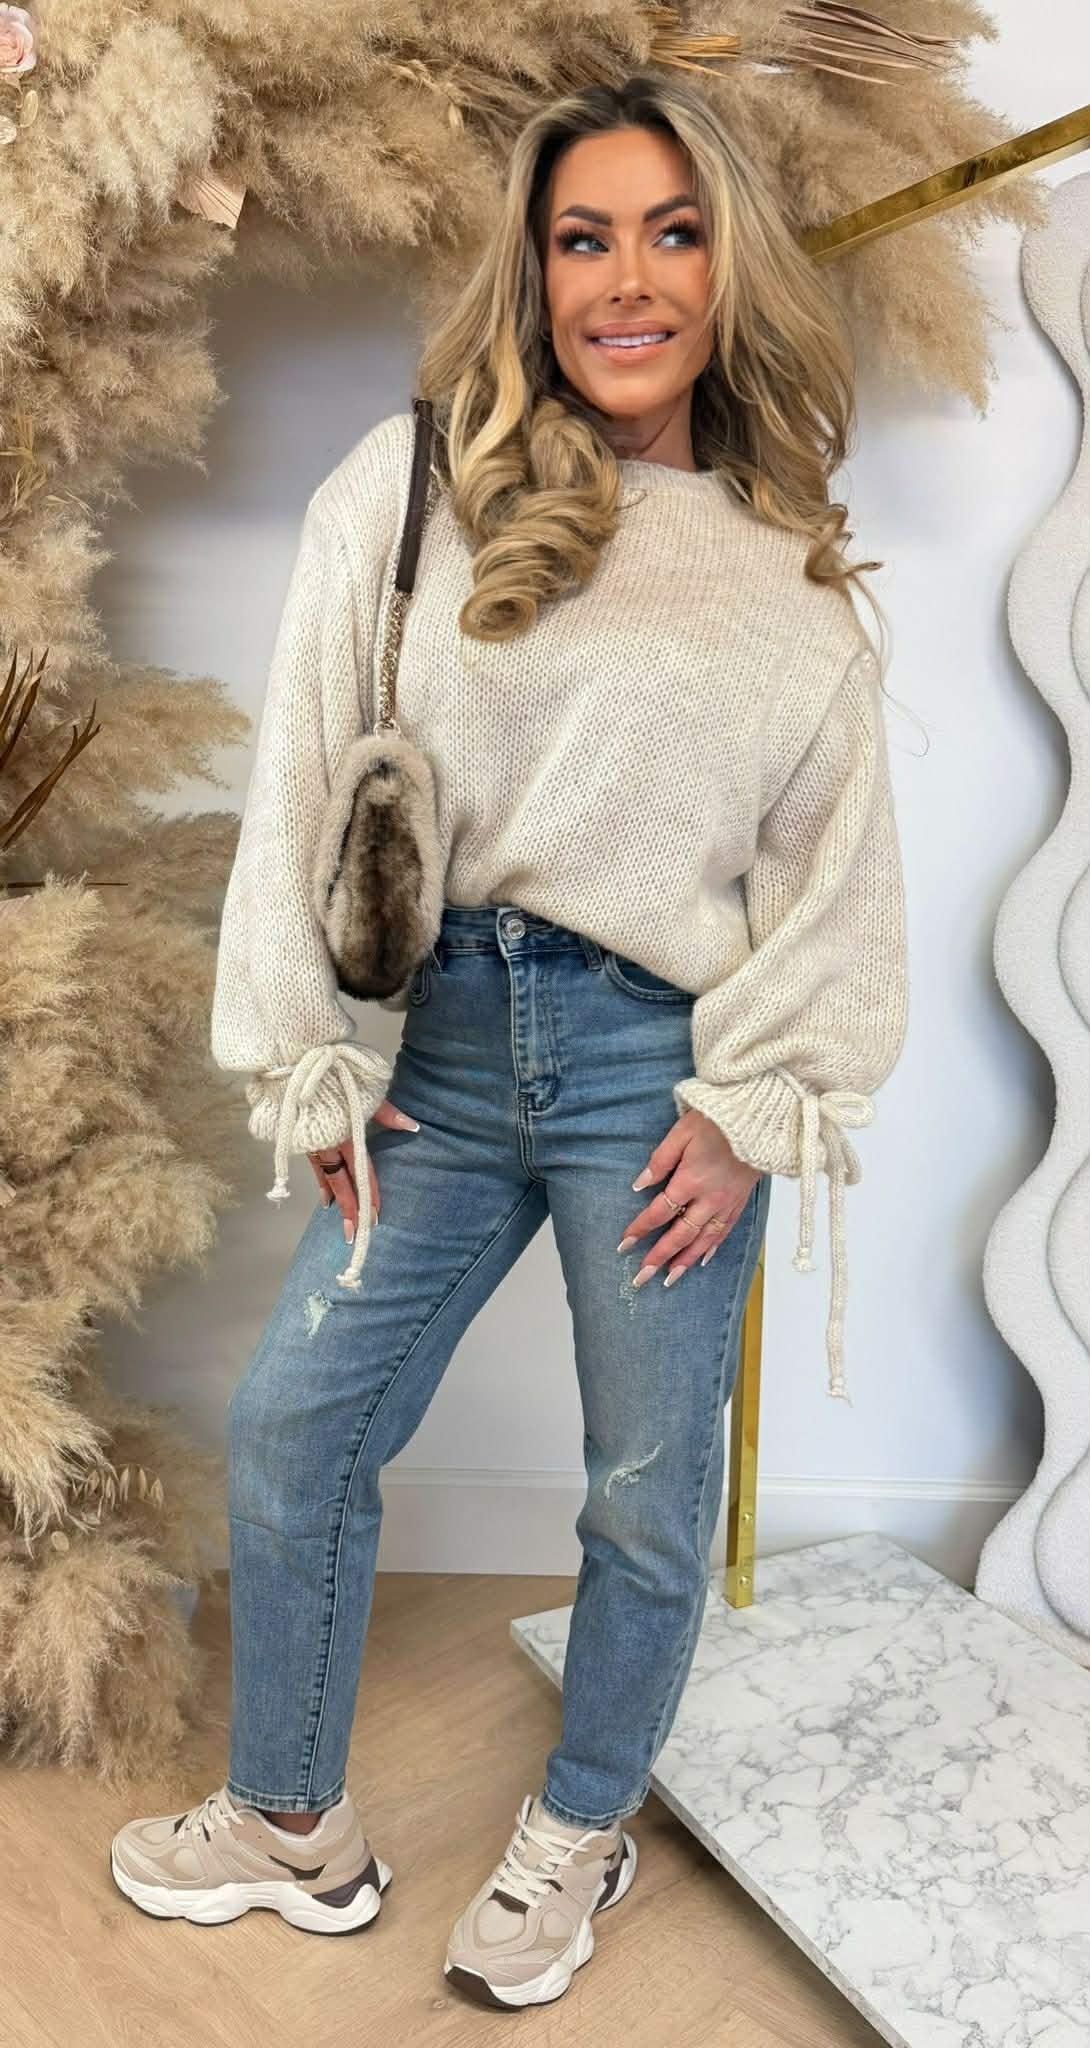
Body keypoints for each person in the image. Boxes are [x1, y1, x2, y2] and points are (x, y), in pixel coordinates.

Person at [109, 69, 908, 2010]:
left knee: (644, 1487)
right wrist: (311, 1052)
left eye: (673, 233)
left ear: (727, 265)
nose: (628, 280)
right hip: (443, 1058)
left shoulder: (791, 577)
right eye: (583, 238)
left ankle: (579, 1823)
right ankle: (289, 1821)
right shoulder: (405, 486)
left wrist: (753, 1107)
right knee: (299, 1426)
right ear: (534, 272)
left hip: (659, 1071)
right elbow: (306, 780)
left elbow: (838, 880)